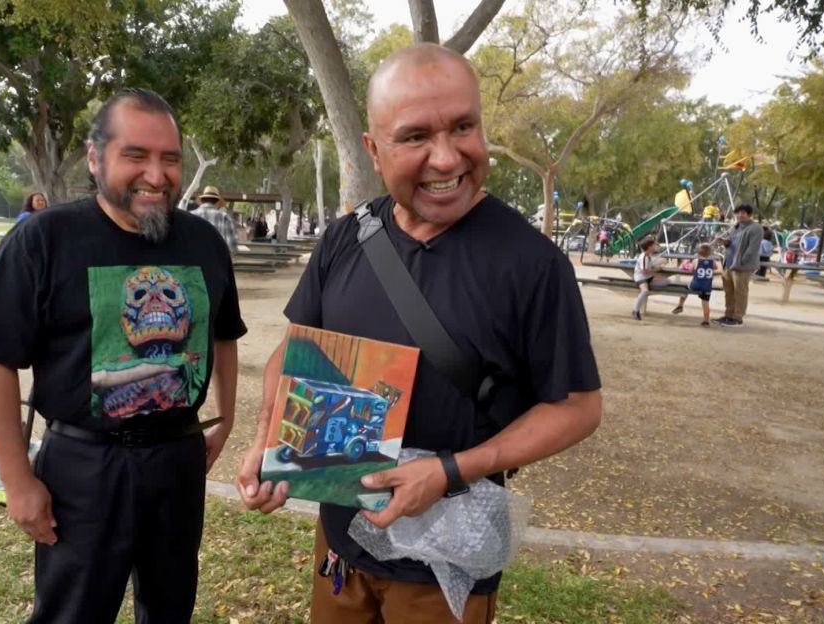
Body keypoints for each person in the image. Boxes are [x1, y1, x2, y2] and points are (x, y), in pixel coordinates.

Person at [234, 44, 602, 623]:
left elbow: (578, 407)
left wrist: (450, 470)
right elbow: (294, 350)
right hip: (342, 549)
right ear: (373, 149)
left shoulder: (532, 263)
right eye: (415, 137)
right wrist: (268, 438)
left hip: (447, 565)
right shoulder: (344, 240)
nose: (447, 157)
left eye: (463, 127)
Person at [0, 88, 247, 623]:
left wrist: (224, 421)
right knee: (73, 613)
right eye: (135, 155)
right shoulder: (44, 239)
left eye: (170, 158)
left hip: (178, 461)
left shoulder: (204, 242)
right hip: (82, 467)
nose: (156, 175)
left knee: (171, 607)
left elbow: (224, 335)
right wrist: (17, 480)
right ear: (94, 158)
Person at [717, 204, 764, 327]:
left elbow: (752, 248)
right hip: (728, 264)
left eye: (742, 213)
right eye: (737, 213)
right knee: (729, 291)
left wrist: (742, 261)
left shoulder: (756, 228)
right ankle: (728, 314)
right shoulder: (735, 227)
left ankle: (738, 318)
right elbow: (732, 243)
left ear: (749, 214)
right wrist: (725, 242)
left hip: (741, 267)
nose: (739, 215)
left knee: (740, 292)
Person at [671, 243, 717, 326]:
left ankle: (680, 305)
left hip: (696, 284)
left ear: (698, 253)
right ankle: (706, 320)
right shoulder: (712, 262)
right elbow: (715, 267)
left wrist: (688, 263)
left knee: (685, 289)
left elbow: (690, 269)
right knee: (705, 303)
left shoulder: (696, 261)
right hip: (707, 286)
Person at [192, 185, 238, 253]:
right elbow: (232, 247)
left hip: (194, 258)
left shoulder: (190, 216)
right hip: (217, 258)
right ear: (217, 202)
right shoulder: (225, 218)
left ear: (201, 200)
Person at [631, 237, 664, 321]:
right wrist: (656, 272)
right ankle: (635, 310)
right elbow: (644, 270)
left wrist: (657, 268)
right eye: (654, 245)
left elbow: (649, 267)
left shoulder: (648, 256)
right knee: (645, 291)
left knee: (665, 281)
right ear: (649, 246)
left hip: (648, 277)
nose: (655, 247)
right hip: (641, 277)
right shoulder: (644, 257)